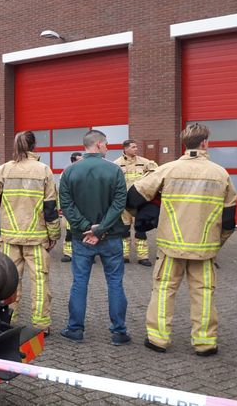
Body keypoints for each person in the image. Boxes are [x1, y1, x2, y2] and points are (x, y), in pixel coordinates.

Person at [128, 123, 237, 356]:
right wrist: (217, 243)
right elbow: (229, 221)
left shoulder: (168, 169)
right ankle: (205, 343)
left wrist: (145, 217)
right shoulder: (220, 173)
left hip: (170, 246)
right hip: (205, 249)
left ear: (184, 143)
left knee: (164, 290)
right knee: (204, 292)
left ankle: (158, 339)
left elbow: (134, 196)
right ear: (205, 143)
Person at [0, 131, 60, 335]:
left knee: (10, 281)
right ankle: (41, 324)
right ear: (34, 146)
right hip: (37, 238)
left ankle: (8, 318)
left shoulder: (4, 169)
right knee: (40, 281)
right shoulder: (44, 170)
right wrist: (54, 235)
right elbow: (50, 208)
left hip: (10, 238)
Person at [59, 130, 130, 346]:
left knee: (79, 282)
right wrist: (101, 230)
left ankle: (75, 329)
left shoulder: (69, 172)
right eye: (106, 144)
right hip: (111, 238)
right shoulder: (115, 170)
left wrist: (85, 229)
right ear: (98, 144)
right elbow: (119, 204)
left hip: (82, 239)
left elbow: (67, 205)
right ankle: (119, 332)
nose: (108, 148)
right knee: (115, 283)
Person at [114, 140, 158, 266]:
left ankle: (142, 257)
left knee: (141, 231)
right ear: (125, 149)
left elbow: (156, 175)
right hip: (124, 203)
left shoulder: (145, 162)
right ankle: (124, 256)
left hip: (140, 202)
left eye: (136, 146)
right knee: (124, 231)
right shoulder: (117, 164)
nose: (136, 149)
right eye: (133, 147)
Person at [61, 152, 83, 263]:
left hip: (84, 207)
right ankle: (68, 254)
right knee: (70, 232)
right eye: (80, 159)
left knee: (85, 230)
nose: (82, 161)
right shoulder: (66, 173)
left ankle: (85, 253)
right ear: (73, 161)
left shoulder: (85, 172)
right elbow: (62, 192)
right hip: (71, 207)